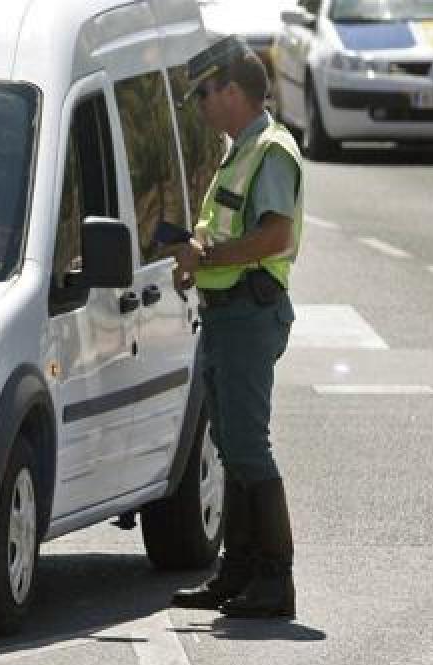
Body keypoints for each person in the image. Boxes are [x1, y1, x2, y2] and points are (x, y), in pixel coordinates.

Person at [168, 36, 303, 620]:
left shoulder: (270, 149)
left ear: (232, 90)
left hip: (250, 313)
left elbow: (276, 236)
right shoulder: (239, 149)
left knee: (248, 445)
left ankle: (275, 579)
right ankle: (240, 571)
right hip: (226, 315)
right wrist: (193, 256)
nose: (200, 104)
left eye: (204, 93)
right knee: (228, 444)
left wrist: (211, 259)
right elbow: (225, 228)